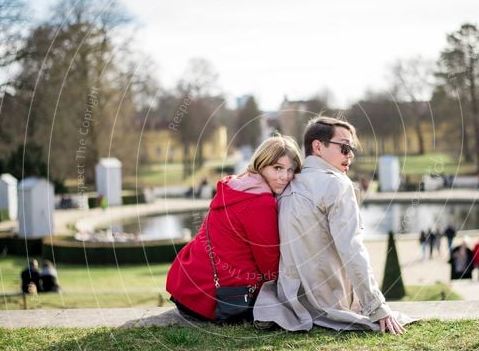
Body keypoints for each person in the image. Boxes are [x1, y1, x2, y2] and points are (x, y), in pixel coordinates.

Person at [253, 117, 412, 334]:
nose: (351, 155)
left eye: (351, 149)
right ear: (318, 147)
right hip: (328, 301)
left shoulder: (286, 184)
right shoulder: (337, 184)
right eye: (345, 147)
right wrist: (377, 306)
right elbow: (352, 249)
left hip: (290, 301)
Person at [166, 135, 303, 322]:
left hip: (186, 285)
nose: (285, 177)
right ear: (261, 164)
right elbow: (269, 262)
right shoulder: (261, 202)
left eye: (291, 170)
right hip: (216, 298)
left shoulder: (236, 184)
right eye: (277, 168)